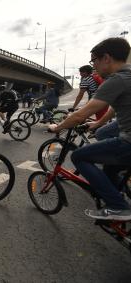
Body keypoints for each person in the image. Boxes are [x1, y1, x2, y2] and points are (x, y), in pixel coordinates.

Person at [49, 37, 131, 220]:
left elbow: (79, 116)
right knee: (108, 158)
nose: (93, 65)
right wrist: (98, 123)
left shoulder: (117, 79)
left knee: (78, 156)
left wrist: (58, 127)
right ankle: (117, 192)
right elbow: (115, 107)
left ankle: (118, 206)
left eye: (94, 60)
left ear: (106, 58)